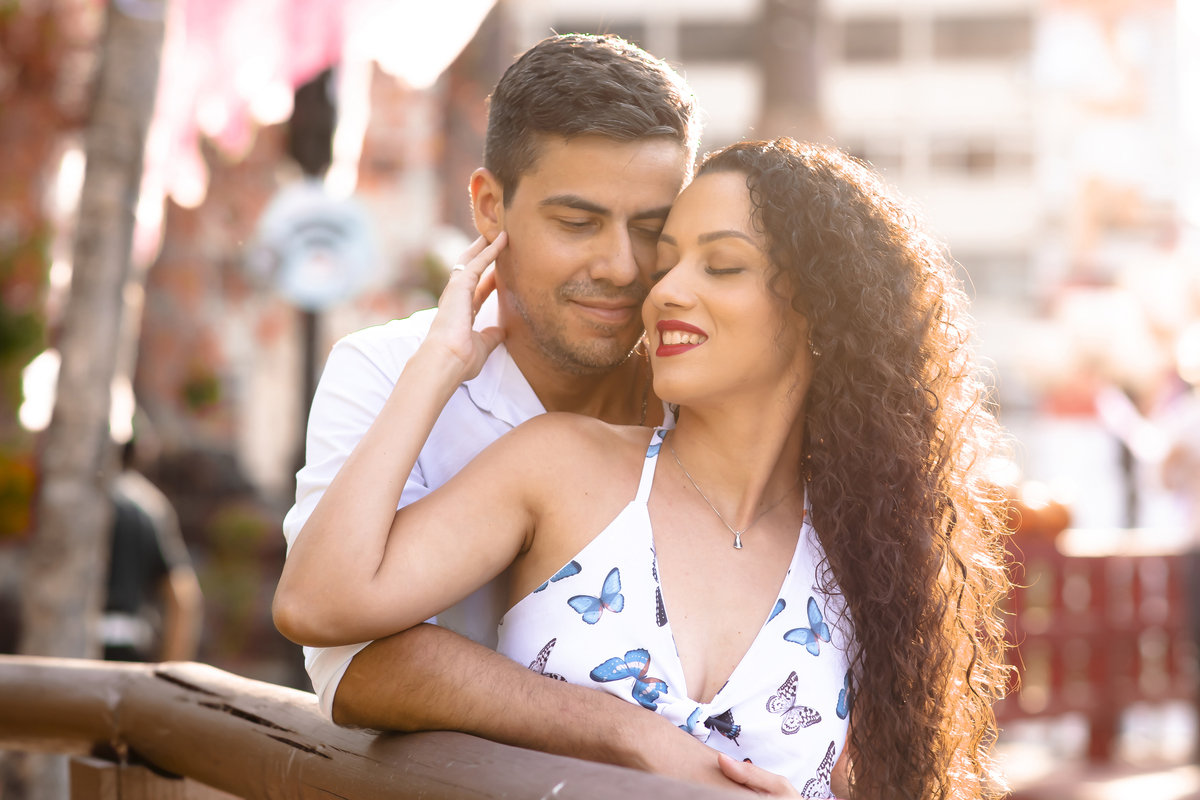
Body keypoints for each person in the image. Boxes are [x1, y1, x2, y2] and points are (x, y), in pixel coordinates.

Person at [276, 139, 1011, 798]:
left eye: (720, 265)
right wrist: (440, 363)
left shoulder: (863, 549)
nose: (661, 291)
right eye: (667, 266)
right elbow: (316, 604)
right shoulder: (564, 464)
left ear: (822, 313)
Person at [280, 34, 745, 789]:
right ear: (490, 207)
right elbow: (348, 667)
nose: (621, 267)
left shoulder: (705, 386)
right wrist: (616, 730)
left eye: (651, 229)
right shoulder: (386, 372)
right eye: (577, 222)